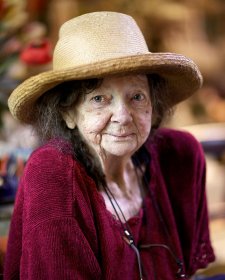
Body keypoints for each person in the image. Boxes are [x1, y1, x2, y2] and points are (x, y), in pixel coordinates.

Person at [4, 11, 215, 280]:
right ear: (67, 113)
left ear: (155, 102)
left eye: (137, 96)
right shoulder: (53, 175)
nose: (123, 116)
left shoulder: (178, 157)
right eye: (99, 99)